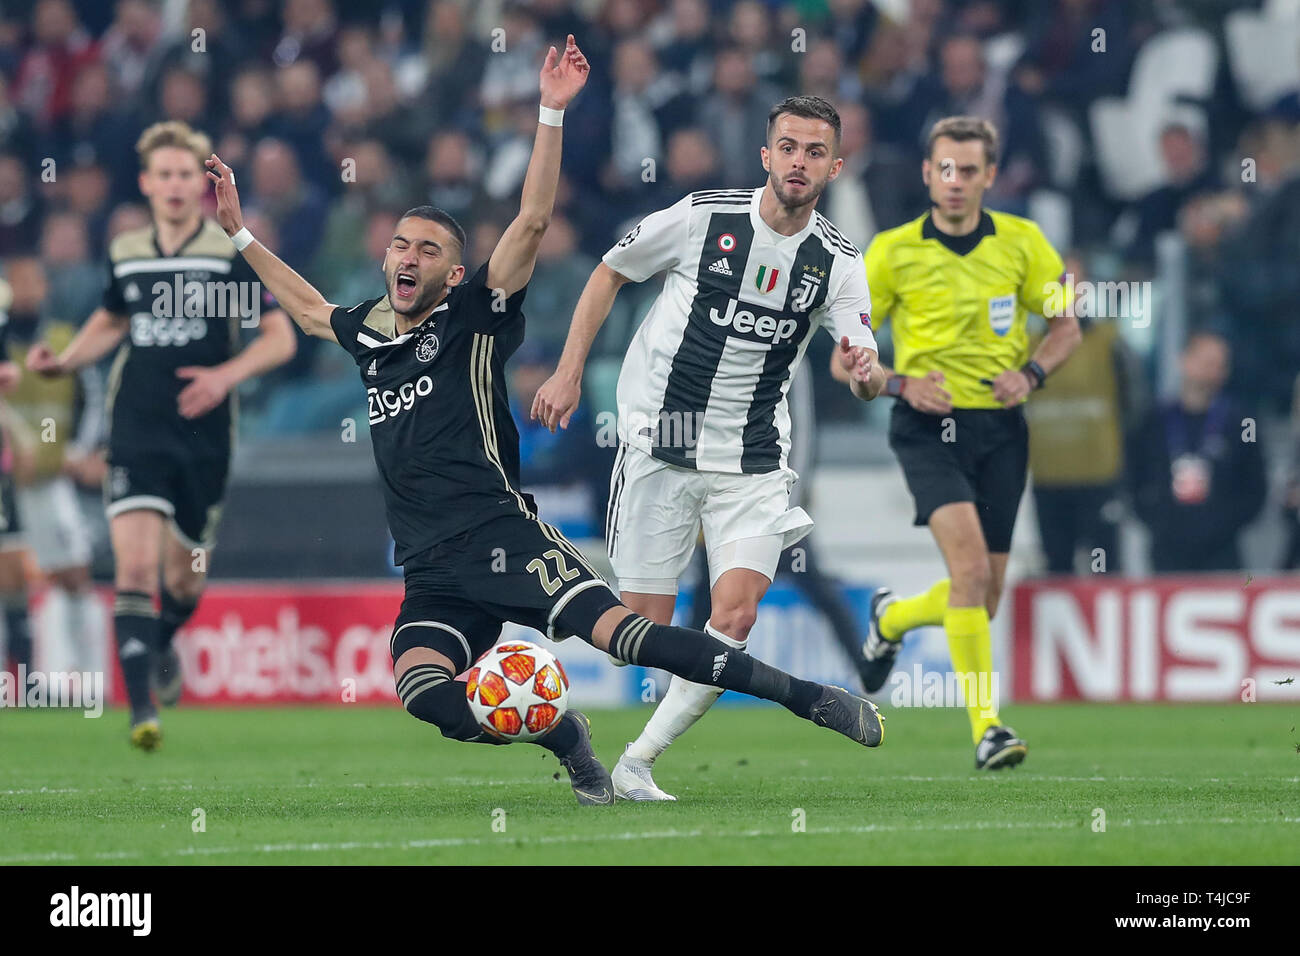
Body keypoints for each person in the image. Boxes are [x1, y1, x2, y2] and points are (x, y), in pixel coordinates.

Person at [205, 37, 883, 808]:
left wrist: (550, 111)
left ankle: (807, 697)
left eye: (428, 249)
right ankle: (564, 737)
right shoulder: (367, 334)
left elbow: (530, 222)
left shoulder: (473, 318)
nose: (408, 256)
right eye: (399, 243)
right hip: (430, 567)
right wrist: (239, 235)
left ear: (453, 274)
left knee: (635, 639)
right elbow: (304, 307)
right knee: (424, 694)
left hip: (505, 537)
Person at [533, 94, 883, 801]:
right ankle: (555, 631)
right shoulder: (705, 217)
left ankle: (636, 763)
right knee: (640, 634)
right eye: (788, 146)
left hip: (750, 460)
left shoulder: (839, 262)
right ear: (766, 154)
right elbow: (609, 272)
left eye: (815, 152)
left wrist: (865, 371)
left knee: (735, 616)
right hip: (662, 448)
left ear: (834, 167)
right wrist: (570, 370)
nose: (799, 161)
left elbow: (859, 357)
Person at [26, 121, 297, 750]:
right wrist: (64, 363)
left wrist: (224, 375)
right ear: (147, 183)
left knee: (183, 579)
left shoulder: (229, 251)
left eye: (185, 175)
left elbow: (279, 339)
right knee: (136, 566)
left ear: (198, 187)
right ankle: (142, 711)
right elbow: (111, 320)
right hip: (138, 425)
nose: (175, 185)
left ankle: (165, 634)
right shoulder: (127, 252)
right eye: (165, 175)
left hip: (203, 438)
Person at [837, 116, 1081, 770]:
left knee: (984, 595)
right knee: (971, 575)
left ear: (989, 176)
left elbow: (1066, 328)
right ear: (927, 173)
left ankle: (891, 620)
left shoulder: (1025, 243)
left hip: (1001, 429)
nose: (954, 181)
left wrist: (1031, 373)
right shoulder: (888, 252)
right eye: (944, 168)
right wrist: (898, 385)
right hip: (926, 428)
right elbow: (846, 363)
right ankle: (989, 728)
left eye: (968, 170)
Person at [1127, 331, 1267, 572]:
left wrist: (1222, 525)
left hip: (1222, 553)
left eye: (1220, 365)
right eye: (1206, 363)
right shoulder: (1153, 422)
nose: (1213, 372)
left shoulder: (1241, 423)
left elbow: (1255, 489)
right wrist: (1160, 522)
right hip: (1166, 552)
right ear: (1184, 361)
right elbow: (1132, 480)